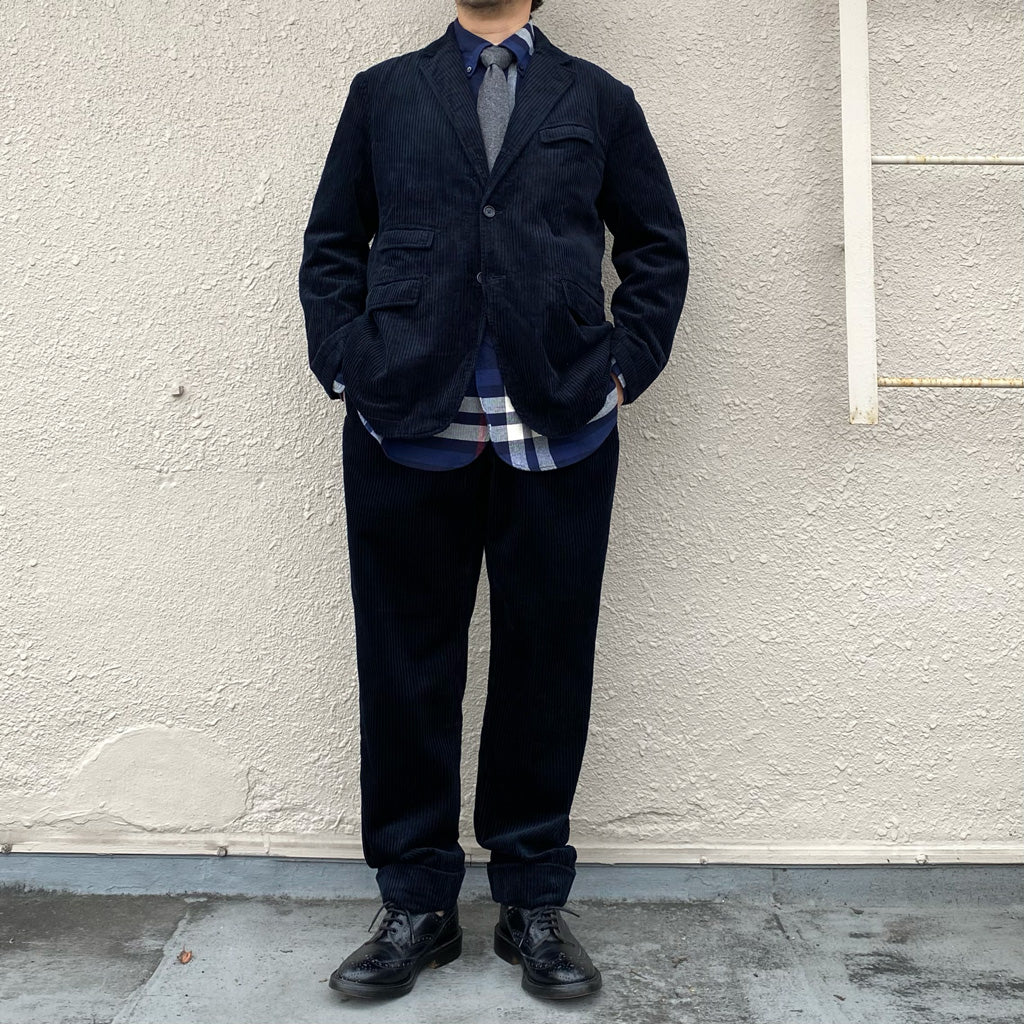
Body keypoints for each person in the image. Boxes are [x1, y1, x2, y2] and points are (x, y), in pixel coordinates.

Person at [298, 0, 689, 1001]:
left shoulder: (598, 100)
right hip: (405, 425)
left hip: (559, 427)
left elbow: (656, 247)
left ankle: (530, 901)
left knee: (545, 667)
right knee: (404, 668)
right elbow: (332, 244)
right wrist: (346, 364)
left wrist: (620, 372)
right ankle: (416, 904)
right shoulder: (384, 94)